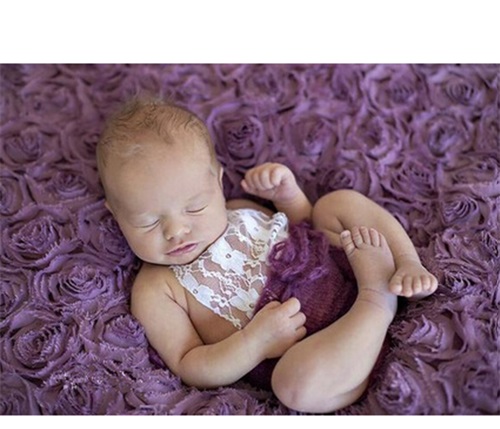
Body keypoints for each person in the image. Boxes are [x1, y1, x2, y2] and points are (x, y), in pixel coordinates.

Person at [96, 98, 438, 413]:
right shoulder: (156, 288)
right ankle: (377, 302)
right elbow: (190, 363)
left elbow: (303, 224)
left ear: (218, 183)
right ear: (116, 214)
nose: (176, 230)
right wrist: (254, 343)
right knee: (293, 386)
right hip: (327, 354)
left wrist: (288, 196)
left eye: (195, 207)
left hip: (344, 263)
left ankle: (407, 264)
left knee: (336, 205)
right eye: (148, 222)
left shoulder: (238, 209)